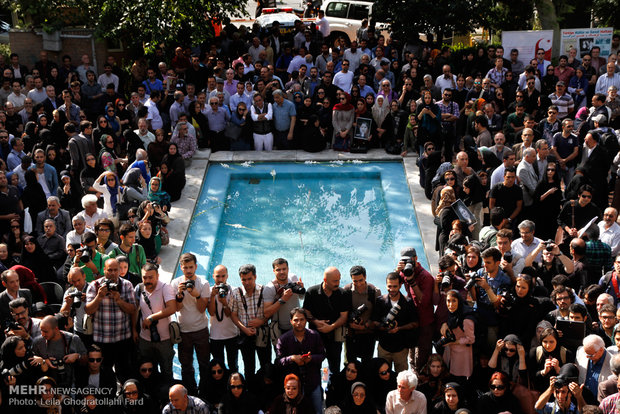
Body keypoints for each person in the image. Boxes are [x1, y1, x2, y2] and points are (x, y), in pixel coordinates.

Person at [85, 258, 137, 383]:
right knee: (104, 373)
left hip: (122, 338)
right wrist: (99, 297)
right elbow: (88, 310)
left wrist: (119, 300)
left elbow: (132, 309)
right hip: (102, 339)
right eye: (110, 270)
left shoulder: (127, 285)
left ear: (119, 270)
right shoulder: (95, 285)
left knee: (124, 372)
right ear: (104, 270)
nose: (113, 273)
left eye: (115, 270)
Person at [170, 252, 211, 396]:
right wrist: (179, 296)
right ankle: (191, 393)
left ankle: (205, 392)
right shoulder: (175, 283)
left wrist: (196, 294)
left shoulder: (204, 283)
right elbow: (176, 308)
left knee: (204, 364)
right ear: (181, 267)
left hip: (201, 330)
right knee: (186, 366)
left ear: (196, 267)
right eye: (185, 267)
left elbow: (201, 309)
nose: (188, 271)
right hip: (183, 331)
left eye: (191, 267)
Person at [276, 307, 327, 414]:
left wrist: (311, 358)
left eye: (302, 319)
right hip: (294, 387)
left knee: (318, 411)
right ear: (291, 321)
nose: (299, 323)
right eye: (296, 320)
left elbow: (322, 355)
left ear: (306, 321)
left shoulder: (315, 336)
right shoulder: (283, 339)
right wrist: (292, 358)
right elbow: (278, 362)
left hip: (313, 381)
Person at [303, 266, 349, 378]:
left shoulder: (342, 293)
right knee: (313, 366)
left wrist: (331, 327)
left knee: (334, 368)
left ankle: (332, 389)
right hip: (315, 336)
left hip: (334, 336)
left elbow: (344, 316)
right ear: (325, 280)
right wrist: (316, 322)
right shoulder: (312, 292)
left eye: (339, 280)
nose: (338, 283)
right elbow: (306, 313)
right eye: (334, 281)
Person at [134, 263, 176, 381]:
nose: (147, 280)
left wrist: (151, 318)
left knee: (166, 372)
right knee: (146, 372)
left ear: (157, 276)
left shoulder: (165, 287)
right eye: (144, 277)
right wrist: (134, 330)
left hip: (164, 339)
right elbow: (135, 311)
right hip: (145, 339)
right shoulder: (139, 288)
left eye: (150, 277)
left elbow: (172, 308)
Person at [372, 272, 418, 373]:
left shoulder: (408, 302)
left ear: (400, 285)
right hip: (384, 348)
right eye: (389, 286)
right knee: (382, 377)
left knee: (402, 378)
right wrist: (384, 327)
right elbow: (374, 322)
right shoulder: (381, 301)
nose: (392, 289)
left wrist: (399, 328)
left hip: (401, 349)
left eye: (395, 286)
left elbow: (415, 323)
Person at [32, 314, 87, 387]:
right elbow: (31, 361)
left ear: (56, 329)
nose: (42, 334)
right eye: (41, 331)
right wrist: (44, 361)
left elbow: (86, 360)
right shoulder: (38, 342)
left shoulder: (73, 339)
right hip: (47, 386)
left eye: (45, 331)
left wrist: (77, 356)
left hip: (70, 383)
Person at [576, 334, 614, 400]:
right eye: (586, 353)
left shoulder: (612, 362)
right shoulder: (580, 352)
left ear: (601, 350)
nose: (587, 356)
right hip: (581, 400)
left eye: (590, 355)